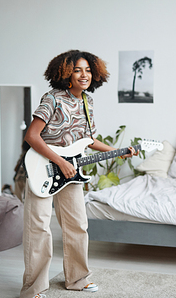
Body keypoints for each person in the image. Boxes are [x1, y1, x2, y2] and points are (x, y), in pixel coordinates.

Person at [20, 50, 138, 298]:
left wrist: (118, 151)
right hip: (42, 167)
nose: (84, 75)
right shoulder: (52, 98)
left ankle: (77, 279)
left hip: (70, 171)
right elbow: (32, 136)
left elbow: (88, 140)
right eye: (77, 70)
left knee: (77, 226)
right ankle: (33, 289)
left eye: (87, 70)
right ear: (65, 73)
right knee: (39, 228)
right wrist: (60, 161)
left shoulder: (87, 101)